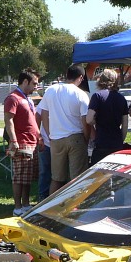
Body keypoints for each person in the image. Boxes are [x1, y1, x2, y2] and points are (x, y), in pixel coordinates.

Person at [39, 64, 90, 194]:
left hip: (56, 139)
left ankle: (53, 204)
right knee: (77, 178)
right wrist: (86, 138)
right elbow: (85, 121)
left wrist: (49, 134)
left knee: (56, 178)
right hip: (76, 137)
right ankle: (76, 205)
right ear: (81, 77)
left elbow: (44, 114)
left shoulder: (51, 90)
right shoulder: (81, 94)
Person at [3, 70, 41, 216]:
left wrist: (39, 137)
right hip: (21, 142)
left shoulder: (27, 98)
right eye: (34, 83)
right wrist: (13, 140)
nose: (36, 87)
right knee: (19, 177)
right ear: (25, 81)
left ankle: (26, 205)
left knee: (27, 177)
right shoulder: (13, 98)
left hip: (32, 142)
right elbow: (8, 120)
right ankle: (17, 208)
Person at [87, 68, 129, 164]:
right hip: (116, 143)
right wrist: (120, 140)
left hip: (101, 142)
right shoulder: (122, 98)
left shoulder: (97, 96)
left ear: (101, 80)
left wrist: (95, 121)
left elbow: (89, 119)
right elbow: (125, 125)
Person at [34, 100, 51, 202]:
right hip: (46, 142)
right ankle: (42, 196)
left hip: (60, 141)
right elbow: (37, 116)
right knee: (45, 170)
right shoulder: (47, 98)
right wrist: (39, 136)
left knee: (58, 173)